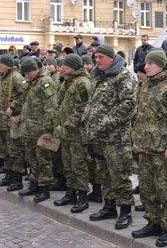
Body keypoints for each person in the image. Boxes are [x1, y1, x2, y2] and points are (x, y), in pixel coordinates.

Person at [131, 49, 167, 247]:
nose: (146, 66)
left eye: (150, 63)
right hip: (145, 146)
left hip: (163, 149)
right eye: (145, 63)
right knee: (147, 189)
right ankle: (153, 222)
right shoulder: (147, 83)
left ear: (161, 64)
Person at [82, 44, 136, 230]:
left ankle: (126, 211)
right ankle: (109, 206)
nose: (97, 60)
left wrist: (106, 123)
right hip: (97, 138)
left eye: (101, 57)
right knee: (104, 175)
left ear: (111, 59)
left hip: (115, 139)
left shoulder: (123, 77)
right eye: (95, 57)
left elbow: (129, 104)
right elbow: (93, 102)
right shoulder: (97, 76)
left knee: (119, 176)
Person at [53, 54, 92, 213]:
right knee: (68, 165)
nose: (61, 68)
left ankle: (82, 197)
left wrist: (67, 126)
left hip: (76, 134)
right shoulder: (67, 81)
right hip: (65, 133)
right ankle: (71, 193)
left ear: (74, 67)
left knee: (79, 166)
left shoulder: (82, 83)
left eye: (65, 66)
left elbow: (82, 109)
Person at [17, 57, 58, 203]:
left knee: (43, 159)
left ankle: (44, 188)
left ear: (35, 70)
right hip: (29, 128)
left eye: (27, 73)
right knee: (31, 158)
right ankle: (33, 183)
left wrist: (49, 129)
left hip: (40, 129)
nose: (26, 76)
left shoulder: (45, 82)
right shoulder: (31, 82)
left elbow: (51, 106)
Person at [0, 54, 26, 191]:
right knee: (5, 150)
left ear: (9, 65)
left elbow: (24, 95)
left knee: (14, 151)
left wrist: (13, 107)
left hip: (12, 121)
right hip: (2, 121)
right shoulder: (3, 77)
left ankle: (17, 180)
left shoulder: (16, 78)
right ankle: (8, 176)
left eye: (1, 63)